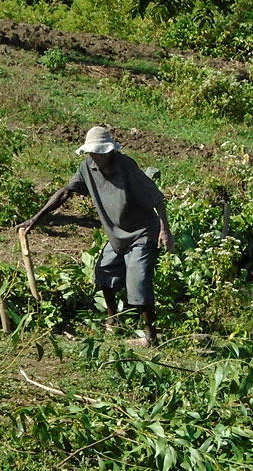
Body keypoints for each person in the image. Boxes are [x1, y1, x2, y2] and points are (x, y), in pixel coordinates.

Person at [21, 126, 172, 347]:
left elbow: (156, 198)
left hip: (142, 232)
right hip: (117, 235)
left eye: (100, 153)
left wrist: (164, 229)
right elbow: (66, 192)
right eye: (92, 153)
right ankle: (113, 320)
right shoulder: (87, 167)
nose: (97, 158)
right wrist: (36, 218)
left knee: (138, 281)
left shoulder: (126, 167)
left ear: (110, 151)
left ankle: (151, 337)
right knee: (104, 271)